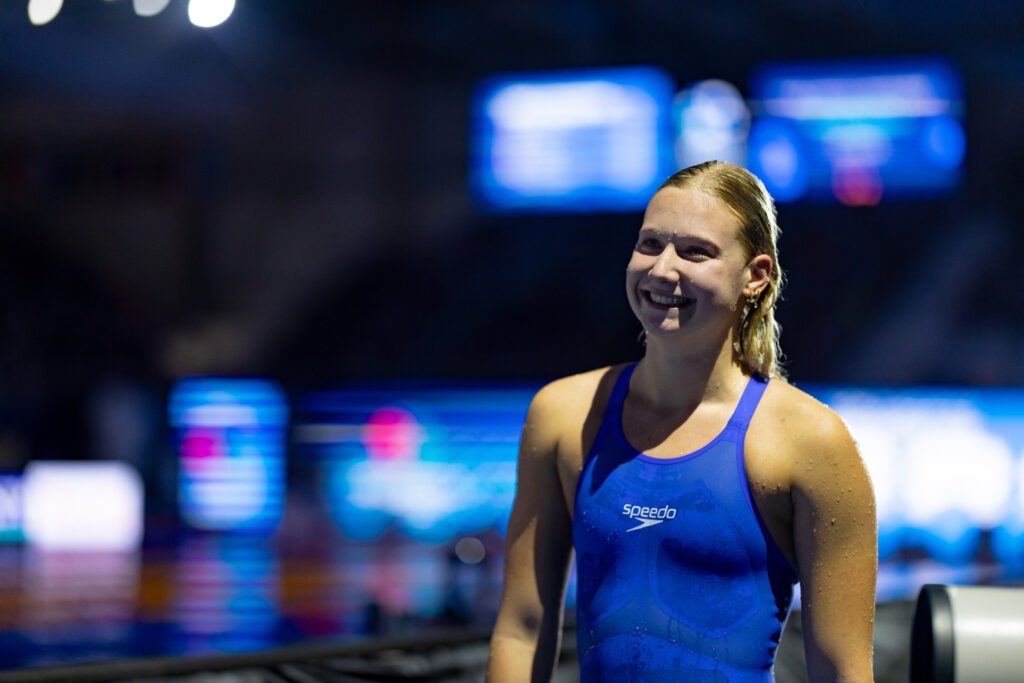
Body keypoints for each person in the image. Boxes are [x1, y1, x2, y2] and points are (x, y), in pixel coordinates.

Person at [486, 161, 877, 682]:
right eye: (650, 244)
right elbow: (522, 629)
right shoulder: (564, 415)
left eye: (695, 252)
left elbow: (843, 670)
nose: (662, 269)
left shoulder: (809, 441)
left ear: (756, 276)